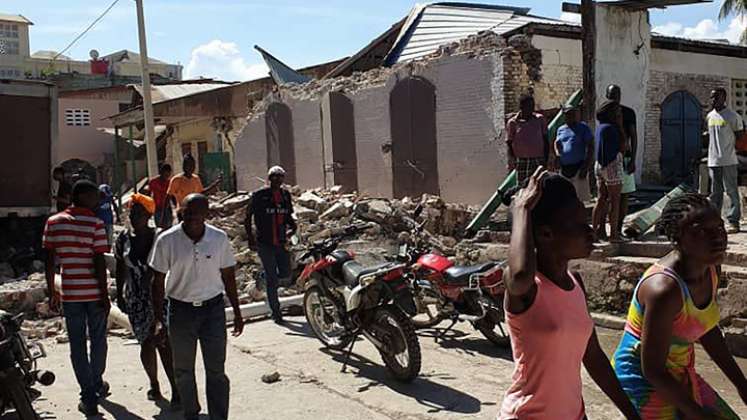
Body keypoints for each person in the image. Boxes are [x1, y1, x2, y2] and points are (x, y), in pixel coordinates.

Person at [499, 169, 639, 420]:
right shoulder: (527, 288)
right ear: (545, 234)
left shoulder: (576, 284)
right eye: (578, 223)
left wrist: (632, 414)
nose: (590, 232)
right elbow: (519, 274)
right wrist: (521, 208)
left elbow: (593, 356)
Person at [613, 193, 747, 419]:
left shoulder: (711, 269)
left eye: (720, 227)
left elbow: (705, 328)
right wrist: (698, 414)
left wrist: (741, 384)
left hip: (678, 368)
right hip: (643, 378)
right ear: (677, 238)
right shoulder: (664, 290)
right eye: (701, 231)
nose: (717, 238)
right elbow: (653, 370)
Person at [149, 193, 244, 420]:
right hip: (181, 311)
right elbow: (157, 281)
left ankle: (218, 416)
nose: (191, 217)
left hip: (213, 311)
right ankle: (191, 413)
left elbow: (229, 277)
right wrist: (159, 319)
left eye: (197, 212)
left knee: (216, 371)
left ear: (207, 214)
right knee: (183, 371)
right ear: (181, 211)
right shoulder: (167, 240)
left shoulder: (219, 239)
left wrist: (238, 312)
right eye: (187, 212)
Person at [43, 180, 110, 416]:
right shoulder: (96, 223)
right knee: (99, 340)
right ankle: (96, 382)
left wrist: (52, 291)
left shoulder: (54, 222)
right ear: (81, 196)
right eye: (93, 197)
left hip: (71, 294)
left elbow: (49, 260)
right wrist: (105, 294)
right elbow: (99, 261)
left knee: (78, 345)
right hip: (93, 293)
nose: (96, 201)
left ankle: (88, 395)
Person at [114, 193, 179, 408]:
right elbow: (120, 267)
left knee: (165, 342)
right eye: (132, 213)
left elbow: (168, 265)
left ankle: (176, 389)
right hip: (135, 299)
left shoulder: (160, 236)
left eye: (139, 213)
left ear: (148, 215)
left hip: (160, 295)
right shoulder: (123, 238)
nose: (134, 217)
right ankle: (154, 384)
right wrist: (119, 295)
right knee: (146, 341)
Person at [245, 166, 297, 324]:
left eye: (280, 177)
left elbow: (288, 216)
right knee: (273, 280)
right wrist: (250, 238)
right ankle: (276, 312)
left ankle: (262, 277)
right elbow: (247, 217)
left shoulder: (285, 195)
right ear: (269, 178)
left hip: (281, 242)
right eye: (273, 176)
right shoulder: (259, 196)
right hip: (264, 243)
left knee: (286, 273)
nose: (277, 179)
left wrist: (293, 228)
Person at [707, 88, 744, 234]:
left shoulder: (733, 116)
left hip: (728, 160)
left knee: (731, 191)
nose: (713, 100)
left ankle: (733, 222)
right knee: (715, 193)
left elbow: (740, 137)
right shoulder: (709, 116)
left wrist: (730, 147)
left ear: (724, 98)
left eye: (716, 97)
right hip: (713, 161)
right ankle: (715, 221)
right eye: (711, 97)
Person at [607, 85, 639, 237]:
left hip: (624, 159)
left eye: (616, 94)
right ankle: (609, 229)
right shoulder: (604, 113)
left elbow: (633, 137)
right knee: (608, 197)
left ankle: (618, 228)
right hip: (608, 159)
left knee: (624, 195)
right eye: (611, 95)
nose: (614, 97)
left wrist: (633, 159)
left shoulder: (627, 112)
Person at [592, 100, 626, 243]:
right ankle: (613, 234)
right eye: (617, 112)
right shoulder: (612, 128)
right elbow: (623, 146)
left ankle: (596, 231)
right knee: (615, 201)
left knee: (601, 199)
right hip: (611, 165)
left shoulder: (601, 127)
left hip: (599, 165)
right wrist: (620, 125)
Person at [554, 104, 594, 202]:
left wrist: (586, 166)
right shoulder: (561, 129)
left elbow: (591, 146)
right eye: (568, 114)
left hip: (579, 169)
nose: (571, 116)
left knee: (581, 200)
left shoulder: (583, 127)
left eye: (573, 113)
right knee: (566, 200)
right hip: (564, 170)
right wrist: (557, 154)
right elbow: (557, 143)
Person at [506, 94, 549, 184]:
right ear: (521, 106)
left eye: (533, 106)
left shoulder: (539, 119)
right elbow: (509, 142)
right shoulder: (513, 123)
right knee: (522, 187)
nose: (532, 108)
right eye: (529, 106)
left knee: (539, 185)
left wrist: (545, 159)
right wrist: (513, 160)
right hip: (521, 160)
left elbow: (545, 139)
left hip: (538, 159)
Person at [166, 154, 223, 219]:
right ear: (184, 166)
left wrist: (215, 184)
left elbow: (201, 193)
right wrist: (165, 213)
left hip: (195, 211)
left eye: (193, 165)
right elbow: (168, 196)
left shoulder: (196, 178)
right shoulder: (176, 179)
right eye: (189, 165)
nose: (191, 167)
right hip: (183, 212)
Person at [148, 164, 174, 228]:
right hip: (157, 208)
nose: (167, 176)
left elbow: (172, 196)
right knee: (159, 227)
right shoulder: (153, 182)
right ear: (161, 172)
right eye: (166, 173)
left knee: (169, 228)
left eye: (169, 174)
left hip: (167, 209)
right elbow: (148, 194)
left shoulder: (170, 183)